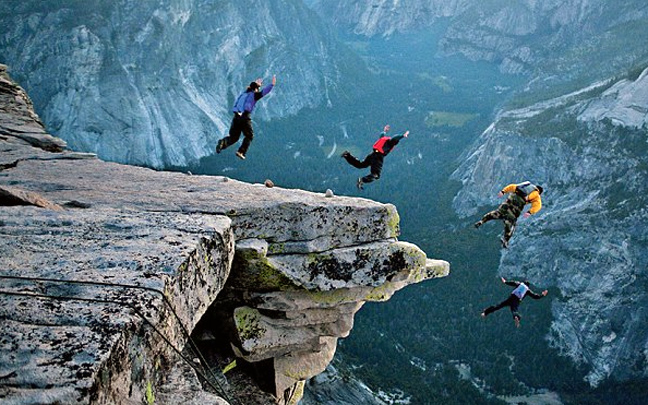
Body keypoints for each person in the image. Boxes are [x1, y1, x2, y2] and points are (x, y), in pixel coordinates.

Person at [216, 75, 276, 160]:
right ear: (255, 89)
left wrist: (256, 84)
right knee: (249, 136)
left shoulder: (243, 94)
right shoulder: (254, 95)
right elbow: (264, 92)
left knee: (234, 137)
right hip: (244, 117)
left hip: (236, 117)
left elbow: (239, 102)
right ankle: (241, 152)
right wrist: (272, 85)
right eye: (257, 89)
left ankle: (223, 142)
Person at [474, 181, 544, 248]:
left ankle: (482, 221)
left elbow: (512, 186)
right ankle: (505, 240)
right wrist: (530, 212)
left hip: (509, 201)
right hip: (515, 207)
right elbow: (538, 206)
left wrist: (503, 191)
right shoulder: (536, 194)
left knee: (497, 213)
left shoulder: (525, 185)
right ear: (539, 191)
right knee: (511, 224)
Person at [341, 124, 409, 190]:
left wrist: (384, 130)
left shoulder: (383, 139)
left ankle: (347, 155)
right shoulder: (390, 142)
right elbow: (395, 138)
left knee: (361, 164)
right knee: (375, 174)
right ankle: (362, 180)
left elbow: (381, 134)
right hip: (378, 157)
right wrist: (402, 135)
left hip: (372, 154)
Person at [481, 277, 548, 327]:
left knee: (498, 306)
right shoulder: (528, 290)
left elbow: (513, 283)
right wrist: (542, 295)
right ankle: (516, 317)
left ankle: (485, 312)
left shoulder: (520, 284)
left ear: (524, 282)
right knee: (514, 310)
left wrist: (505, 282)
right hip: (517, 300)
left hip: (511, 298)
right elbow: (535, 296)